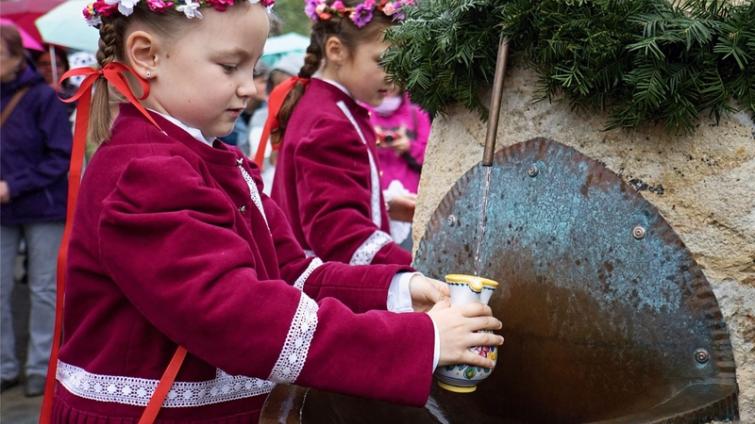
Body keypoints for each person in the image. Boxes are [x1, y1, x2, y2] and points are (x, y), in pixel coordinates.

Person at [45, 1, 502, 422]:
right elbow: (235, 315)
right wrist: (423, 340)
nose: (250, 87)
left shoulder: (200, 157)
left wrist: (401, 291)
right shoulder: (146, 171)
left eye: (253, 67)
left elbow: (293, 273)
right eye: (230, 66)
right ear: (146, 55)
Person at [269, 0, 416, 266]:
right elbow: (340, 235)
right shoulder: (330, 122)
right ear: (336, 50)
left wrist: (384, 204)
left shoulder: (321, 104)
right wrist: (419, 271)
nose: (394, 75)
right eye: (383, 60)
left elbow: (321, 201)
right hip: (330, 295)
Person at [0, 23, 72, 397]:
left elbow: (61, 155)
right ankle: (4, 366)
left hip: (43, 206)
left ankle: (40, 367)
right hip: (3, 212)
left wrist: (14, 186)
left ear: (16, 57)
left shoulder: (44, 97)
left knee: (43, 289)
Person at [368, 85, 431, 248]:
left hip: (408, 207)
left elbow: (431, 160)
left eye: (393, 79)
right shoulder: (361, 113)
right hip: (373, 205)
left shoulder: (417, 115)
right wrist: (368, 141)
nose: (387, 84)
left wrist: (409, 147)